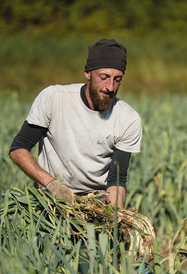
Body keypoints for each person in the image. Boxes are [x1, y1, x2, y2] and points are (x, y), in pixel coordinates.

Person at [9, 39, 142, 208]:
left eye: (117, 79)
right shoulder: (54, 98)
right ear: (88, 73)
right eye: (104, 77)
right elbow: (18, 149)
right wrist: (52, 185)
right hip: (51, 200)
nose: (110, 87)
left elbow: (117, 179)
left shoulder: (128, 118)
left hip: (96, 205)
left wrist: (116, 217)